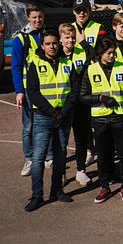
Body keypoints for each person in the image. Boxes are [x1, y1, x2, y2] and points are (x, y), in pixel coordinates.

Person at [79, 38, 123, 204]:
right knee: (104, 155)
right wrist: (100, 98)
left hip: (120, 117)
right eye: (109, 53)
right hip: (100, 119)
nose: (112, 56)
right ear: (100, 54)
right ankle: (104, 186)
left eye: (114, 52)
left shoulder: (122, 68)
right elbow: (83, 97)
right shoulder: (90, 70)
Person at [23, 31, 76, 212]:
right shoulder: (35, 64)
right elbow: (33, 92)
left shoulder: (67, 62)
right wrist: (52, 112)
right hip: (44, 116)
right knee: (38, 158)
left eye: (54, 43)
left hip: (63, 116)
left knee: (60, 155)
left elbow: (74, 90)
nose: (52, 46)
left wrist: (64, 110)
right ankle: (37, 195)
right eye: (48, 44)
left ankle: (57, 191)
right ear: (42, 46)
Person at [12, 3, 45, 176]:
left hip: (46, 88)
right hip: (28, 89)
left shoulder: (46, 34)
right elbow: (16, 66)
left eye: (40, 17)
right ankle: (29, 158)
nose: (37, 20)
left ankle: (48, 155)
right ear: (28, 18)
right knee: (28, 126)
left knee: (46, 123)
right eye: (34, 18)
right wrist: (19, 91)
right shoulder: (21, 39)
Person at [58, 23, 94, 186]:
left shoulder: (81, 52)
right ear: (60, 39)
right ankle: (61, 173)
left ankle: (81, 171)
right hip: (64, 104)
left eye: (73, 37)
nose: (70, 40)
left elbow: (92, 58)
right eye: (67, 37)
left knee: (81, 138)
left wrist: (83, 42)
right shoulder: (56, 55)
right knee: (62, 141)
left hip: (80, 103)